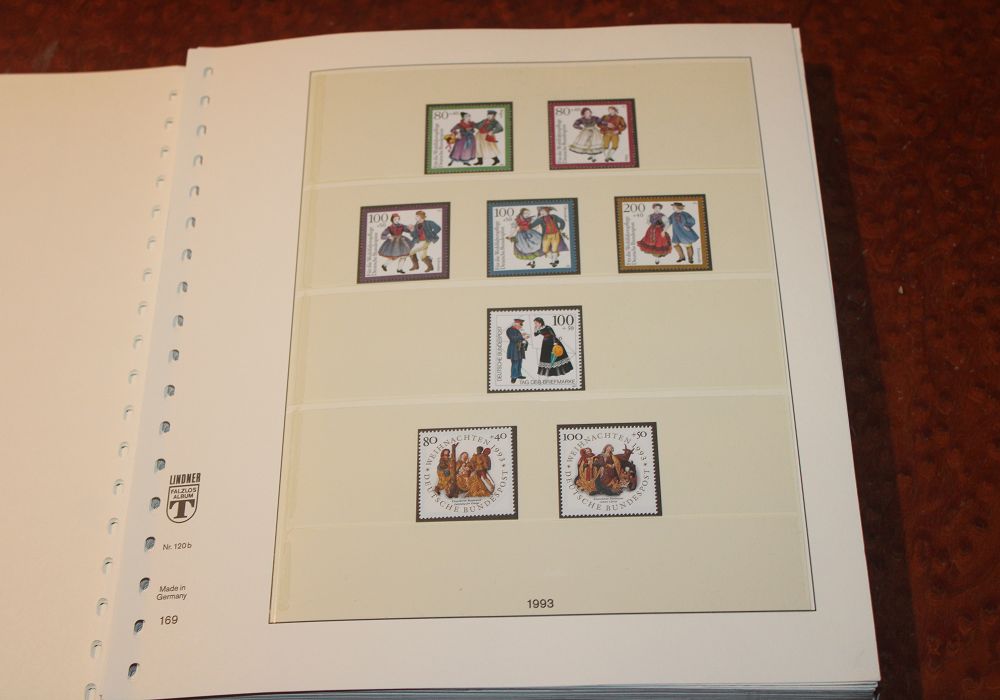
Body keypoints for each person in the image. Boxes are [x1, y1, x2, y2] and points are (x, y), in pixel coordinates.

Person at [506, 318, 528, 383]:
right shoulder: (509, 330)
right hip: (514, 348)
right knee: (515, 363)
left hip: (520, 348)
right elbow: (513, 339)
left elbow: (520, 339)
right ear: (516, 324)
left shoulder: (518, 330)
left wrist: (525, 341)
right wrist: (522, 337)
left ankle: (518, 375)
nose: (521, 327)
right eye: (520, 325)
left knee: (519, 363)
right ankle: (513, 377)